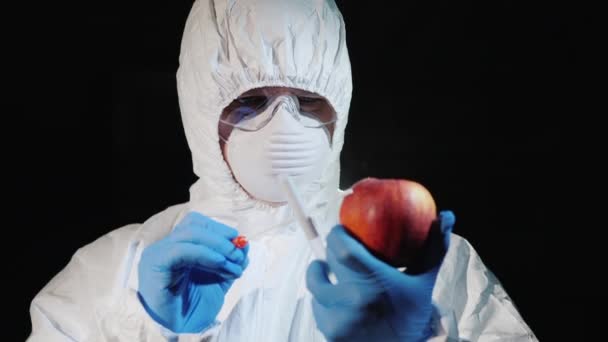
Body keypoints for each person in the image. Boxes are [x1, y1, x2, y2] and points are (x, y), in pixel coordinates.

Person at [28, 0, 538, 341]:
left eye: (309, 99)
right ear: (201, 112)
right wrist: (143, 325)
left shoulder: (419, 266)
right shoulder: (111, 275)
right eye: (250, 99)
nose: (285, 124)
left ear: (339, 111)